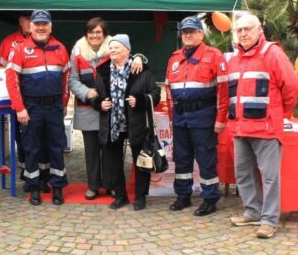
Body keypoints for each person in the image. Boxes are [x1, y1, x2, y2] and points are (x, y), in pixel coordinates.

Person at [227, 13, 298, 239]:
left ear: (259, 30)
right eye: (239, 30)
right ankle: (252, 212)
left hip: (266, 129)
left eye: (247, 29)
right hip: (240, 129)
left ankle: (269, 220)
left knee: (270, 177)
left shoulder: (273, 54)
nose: (243, 34)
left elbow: (291, 87)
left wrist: (279, 113)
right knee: (243, 175)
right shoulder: (234, 59)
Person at [68, 18, 145, 200]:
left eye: (98, 32)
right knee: (91, 151)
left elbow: (130, 58)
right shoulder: (77, 51)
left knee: (110, 150)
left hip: (111, 110)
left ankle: (111, 185)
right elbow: (72, 80)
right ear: (86, 34)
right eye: (91, 32)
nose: (95, 35)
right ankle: (93, 186)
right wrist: (88, 94)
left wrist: (141, 57)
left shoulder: (114, 47)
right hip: (88, 108)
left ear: (104, 35)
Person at [165, 16, 229, 217]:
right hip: (181, 116)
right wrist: (171, 117)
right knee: (182, 159)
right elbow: (168, 90)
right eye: (185, 32)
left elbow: (224, 91)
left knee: (205, 159)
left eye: (193, 31)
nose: (189, 35)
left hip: (204, 116)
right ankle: (183, 195)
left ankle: (210, 199)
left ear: (201, 34)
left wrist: (220, 118)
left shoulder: (214, 55)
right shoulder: (174, 58)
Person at [5, 9, 70, 205]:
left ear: (50, 27)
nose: (41, 27)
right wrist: (20, 108)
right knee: (32, 149)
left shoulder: (60, 48)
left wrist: (64, 103)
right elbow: (11, 81)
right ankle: (34, 188)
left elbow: (66, 78)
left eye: (45, 24)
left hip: (54, 106)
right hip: (31, 108)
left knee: (56, 147)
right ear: (30, 26)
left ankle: (57, 187)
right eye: (37, 24)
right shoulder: (19, 49)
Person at [91, 35, 160, 210]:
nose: (112, 50)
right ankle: (121, 196)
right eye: (110, 47)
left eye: (116, 47)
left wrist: (141, 100)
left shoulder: (140, 68)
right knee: (113, 163)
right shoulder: (103, 71)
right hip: (112, 125)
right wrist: (99, 103)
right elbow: (95, 95)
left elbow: (156, 93)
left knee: (141, 161)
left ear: (127, 50)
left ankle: (140, 197)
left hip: (136, 123)